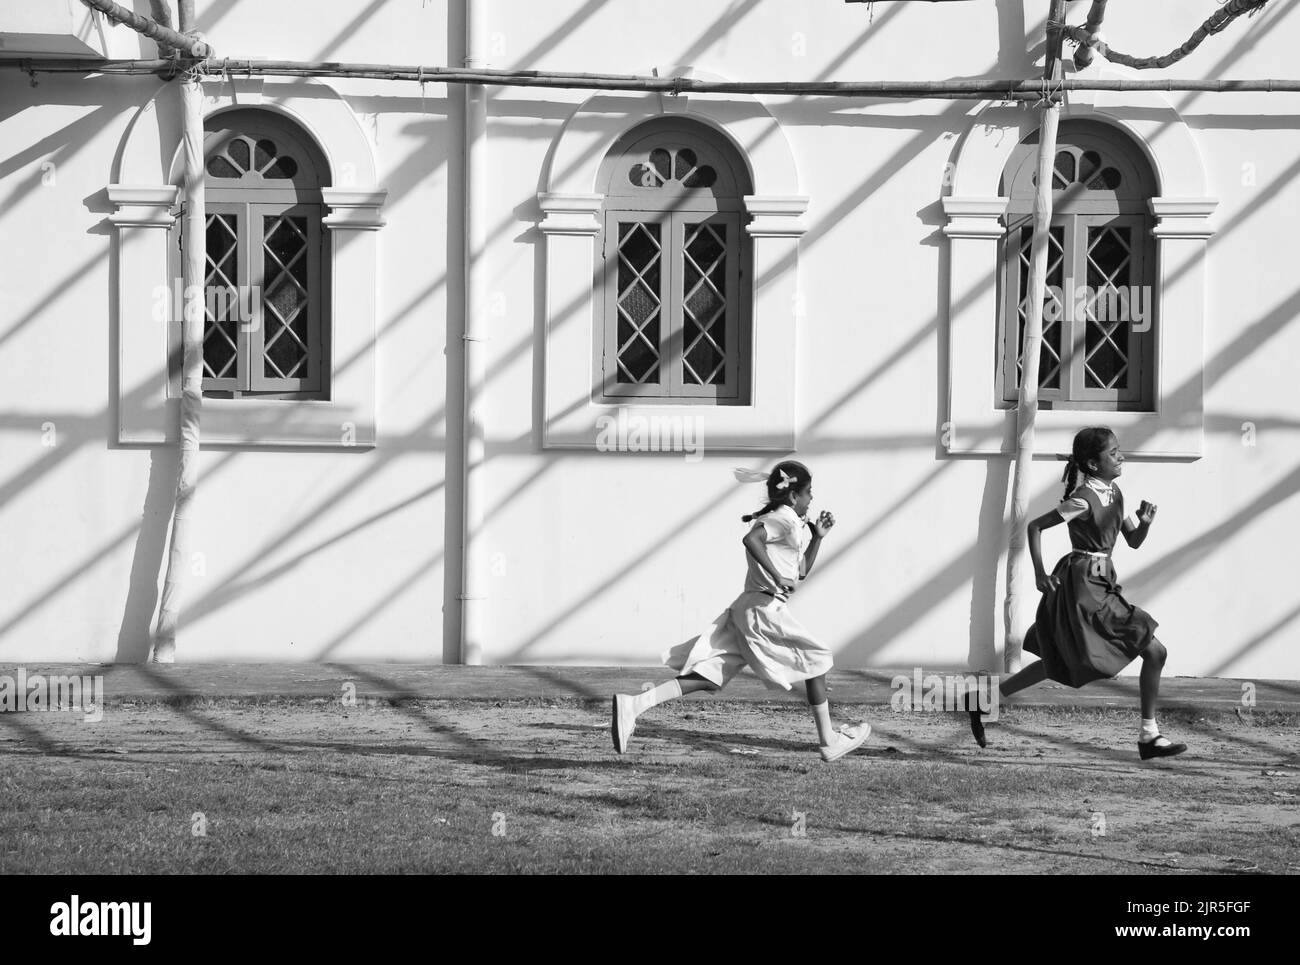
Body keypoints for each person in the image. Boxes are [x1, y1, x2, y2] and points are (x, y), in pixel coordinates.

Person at [610, 461, 871, 763]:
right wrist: (776, 576)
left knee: (709, 677)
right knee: (819, 659)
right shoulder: (783, 519)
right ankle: (829, 740)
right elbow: (751, 540)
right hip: (762, 610)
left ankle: (634, 704)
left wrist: (818, 538)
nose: (812, 499)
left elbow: (799, 572)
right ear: (793, 497)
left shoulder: (789, 522)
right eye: (808, 493)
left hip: (748, 610)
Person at [968, 427, 1187, 760]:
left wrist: (1143, 523)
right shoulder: (1083, 500)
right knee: (1154, 650)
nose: (1121, 456)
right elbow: (1035, 527)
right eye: (1113, 453)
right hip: (1084, 586)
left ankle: (983, 700)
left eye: (1118, 450)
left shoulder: (1114, 492)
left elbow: (1132, 541)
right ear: (1093, 464)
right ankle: (1149, 736)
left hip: (1102, 582)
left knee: (1056, 661)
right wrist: (1041, 574)